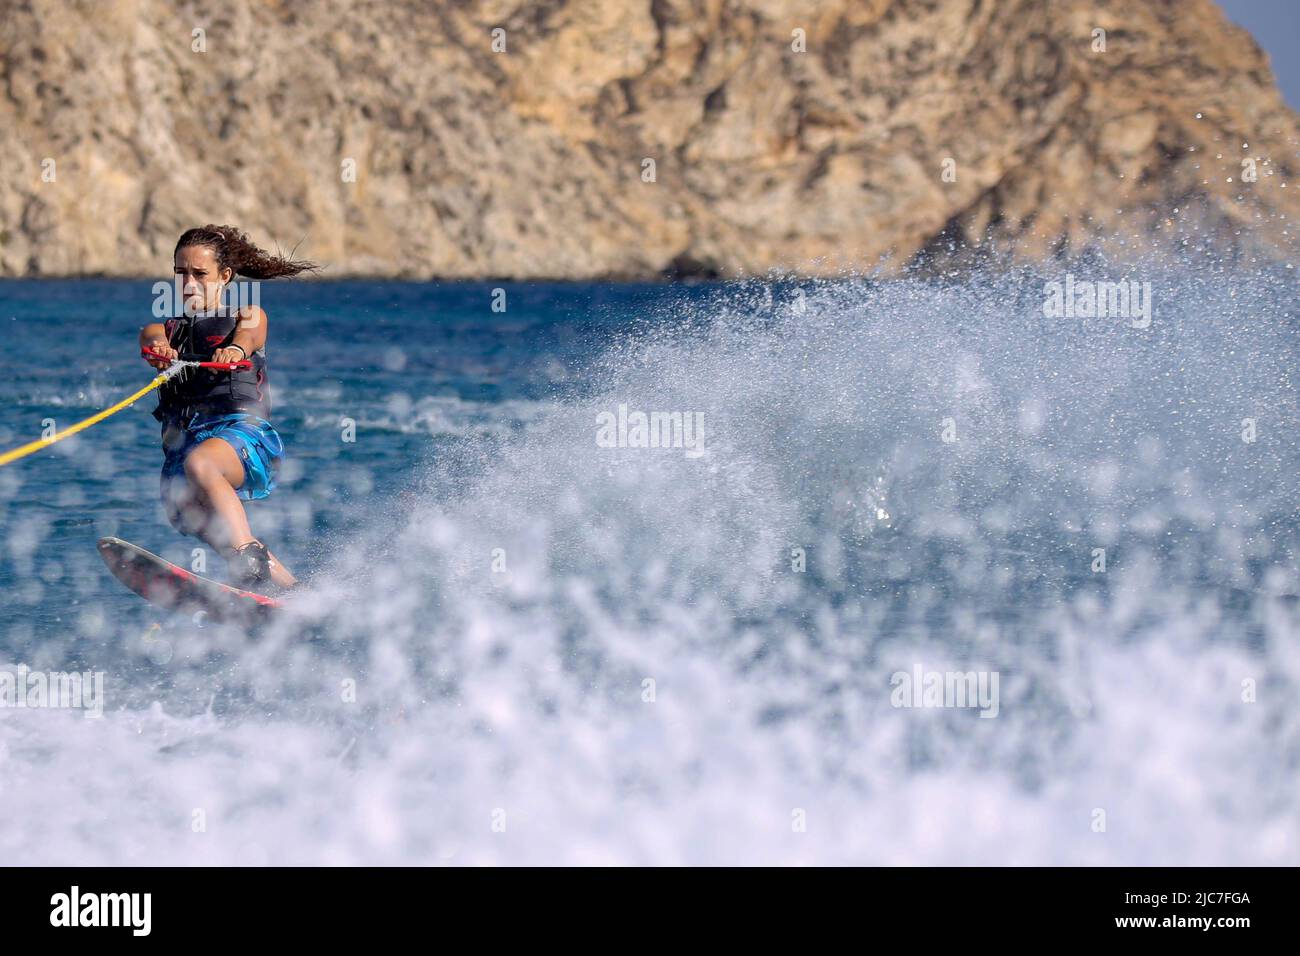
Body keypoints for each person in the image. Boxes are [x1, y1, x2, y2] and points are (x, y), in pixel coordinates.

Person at [139, 225, 315, 590]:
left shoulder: (247, 315)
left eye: (199, 274)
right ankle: (294, 592)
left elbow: (250, 335)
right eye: (180, 273)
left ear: (225, 276)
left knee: (202, 465)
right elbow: (151, 335)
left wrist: (235, 350)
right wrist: (161, 350)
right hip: (186, 441)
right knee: (190, 512)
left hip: (241, 435)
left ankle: (246, 553)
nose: (188, 283)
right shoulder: (164, 328)